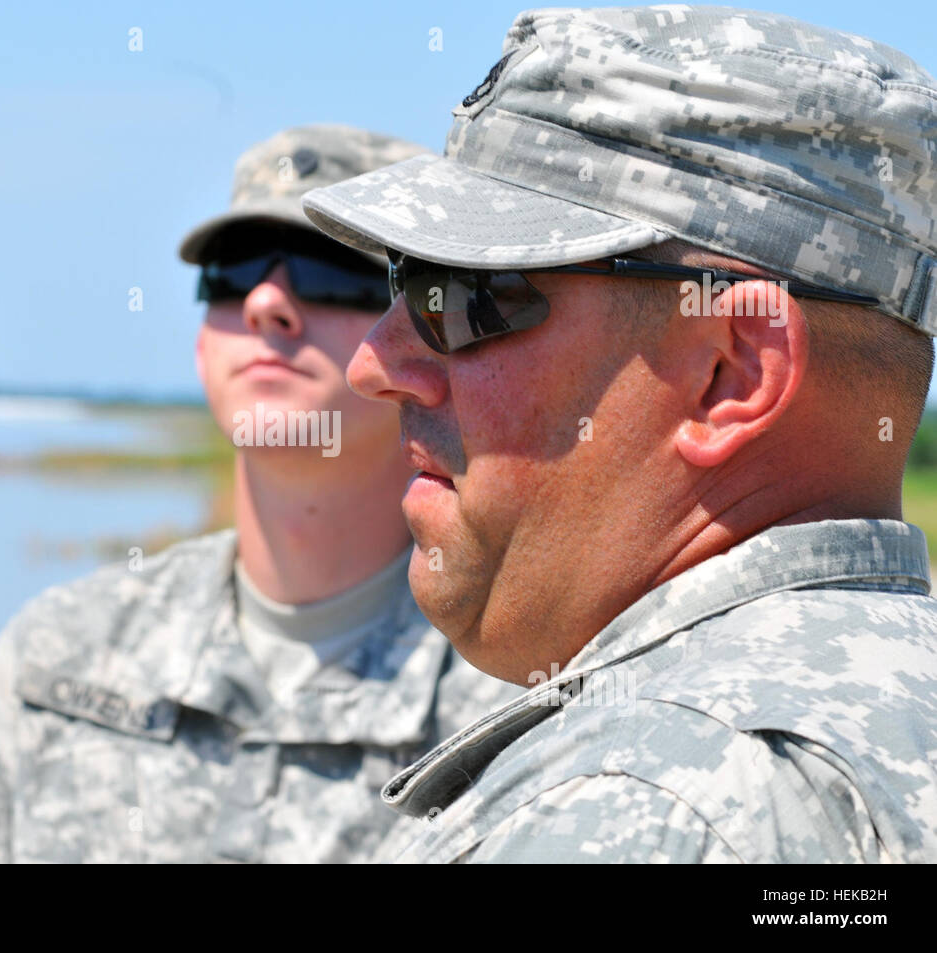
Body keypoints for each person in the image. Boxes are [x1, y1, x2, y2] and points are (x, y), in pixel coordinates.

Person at [302, 5, 937, 863]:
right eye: (406, 279)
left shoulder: (641, 807)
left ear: (729, 375)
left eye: (468, 293)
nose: (377, 361)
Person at [0, 124, 518, 863]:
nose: (267, 302)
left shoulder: (513, 706)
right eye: (233, 272)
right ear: (201, 343)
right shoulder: (58, 659)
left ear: (427, 333)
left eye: (330, 267)